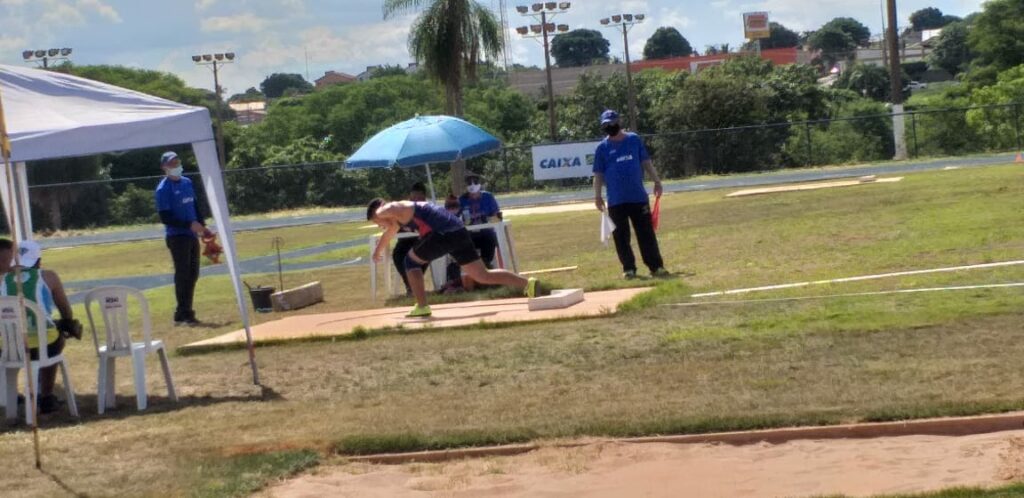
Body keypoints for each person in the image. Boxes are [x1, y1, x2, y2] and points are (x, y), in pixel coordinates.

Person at [368, 199, 539, 318]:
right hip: (458, 231)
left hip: (443, 233)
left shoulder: (391, 207)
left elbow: (383, 212)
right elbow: (389, 232)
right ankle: (528, 284)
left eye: (377, 222)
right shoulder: (399, 214)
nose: (379, 225)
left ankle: (422, 306)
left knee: (410, 262)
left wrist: (378, 211)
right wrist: (377, 251)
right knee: (482, 275)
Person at [0, 240, 81, 414]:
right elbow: (65, 310)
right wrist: (66, 322)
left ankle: (10, 394)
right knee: (55, 338)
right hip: (42, 346)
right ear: (38, 260)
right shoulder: (48, 276)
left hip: (9, 347)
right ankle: (46, 396)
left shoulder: (2, 280)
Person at [592, 109, 669, 279]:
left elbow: (646, 161)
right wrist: (597, 196)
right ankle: (629, 269)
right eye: (606, 125)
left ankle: (656, 266)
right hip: (616, 200)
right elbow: (598, 174)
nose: (610, 127)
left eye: (612, 123)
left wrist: (656, 181)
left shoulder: (633, 140)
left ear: (619, 122)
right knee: (620, 237)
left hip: (638, 198)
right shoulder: (602, 148)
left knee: (646, 234)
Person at [154, 151, 211, 326]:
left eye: (177, 162)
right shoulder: (163, 189)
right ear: (164, 167)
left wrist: (202, 226)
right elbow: (166, 217)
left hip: (191, 234)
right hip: (177, 236)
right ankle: (184, 312)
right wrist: (188, 225)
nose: (176, 166)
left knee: (193, 273)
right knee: (183, 273)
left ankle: (185, 310)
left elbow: (194, 205)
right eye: (172, 164)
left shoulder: (187, 182)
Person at [392, 182, 430, 295]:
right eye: (413, 197)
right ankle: (411, 286)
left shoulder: (428, 209)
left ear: (424, 197)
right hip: (404, 242)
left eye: (419, 197)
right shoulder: (404, 208)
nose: (416, 200)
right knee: (398, 254)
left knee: (425, 253)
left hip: (421, 241)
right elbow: (397, 226)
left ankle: (413, 286)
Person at [458, 172, 501, 268]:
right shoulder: (462, 200)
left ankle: (486, 266)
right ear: (466, 186)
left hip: (487, 234)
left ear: (480, 184)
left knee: (489, 244)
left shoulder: (488, 197)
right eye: (469, 183)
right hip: (470, 235)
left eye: (475, 182)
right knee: (464, 250)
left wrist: (487, 219)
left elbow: (498, 218)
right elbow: (454, 217)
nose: (472, 185)